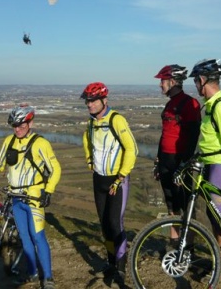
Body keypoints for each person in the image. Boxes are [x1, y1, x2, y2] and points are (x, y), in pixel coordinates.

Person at [0, 104, 61, 289]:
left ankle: (48, 278)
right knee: (25, 238)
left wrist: (48, 191)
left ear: (30, 122)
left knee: (38, 236)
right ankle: (32, 273)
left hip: (34, 197)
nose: (17, 129)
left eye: (21, 125)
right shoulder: (9, 141)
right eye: (14, 126)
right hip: (15, 197)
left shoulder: (41, 143)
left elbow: (55, 169)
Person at [185, 58, 221, 281]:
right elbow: (211, 141)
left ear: (202, 80)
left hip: (219, 168)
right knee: (213, 215)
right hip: (209, 165)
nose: (195, 85)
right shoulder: (211, 107)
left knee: (219, 217)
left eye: (195, 81)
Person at [81, 82, 138, 288]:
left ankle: (121, 268)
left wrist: (122, 175)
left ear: (104, 100)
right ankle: (111, 262)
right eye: (87, 101)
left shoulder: (116, 120)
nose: (89, 104)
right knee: (104, 224)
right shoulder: (91, 123)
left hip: (117, 180)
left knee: (115, 223)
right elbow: (86, 140)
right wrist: (89, 160)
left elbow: (132, 149)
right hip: (99, 179)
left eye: (93, 100)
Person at [153, 64, 201, 244]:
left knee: (186, 205)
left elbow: (193, 136)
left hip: (180, 160)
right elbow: (164, 134)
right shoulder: (169, 104)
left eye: (163, 81)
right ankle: (174, 243)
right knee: (171, 204)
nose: (160, 85)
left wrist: (184, 163)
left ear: (173, 81)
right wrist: (158, 161)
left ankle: (188, 245)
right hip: (166, 159)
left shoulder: (190, 103)